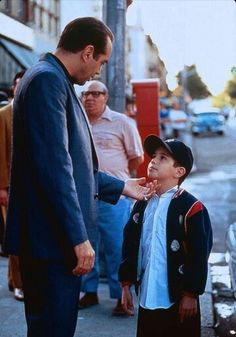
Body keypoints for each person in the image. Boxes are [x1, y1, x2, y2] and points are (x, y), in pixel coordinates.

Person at [4, 17, 156, 337]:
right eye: (101, 61)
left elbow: (76, 167)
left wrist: (123, 186)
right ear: (87, 52)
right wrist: (78, 237)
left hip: (50, 240)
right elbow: (55, 168)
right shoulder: (48, 80)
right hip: (53, 242)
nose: (99, 70)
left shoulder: (53, 78)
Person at [119, 135, 213, 337]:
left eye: (163, 158)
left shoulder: (192, 208)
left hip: (178, 299)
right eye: (154, 155)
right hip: (147, 294)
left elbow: (199, 254)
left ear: (179, 171)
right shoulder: (142, 203)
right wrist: (126, 284)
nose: (153, 160)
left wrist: (191, 293)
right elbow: (130, 244)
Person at [79, 80, 144, 315]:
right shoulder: (78, 121)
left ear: (105, 97)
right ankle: (90, 291)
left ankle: (120, 296)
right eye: (86, 94)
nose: (89, 98)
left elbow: (136, 157)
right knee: (87, 244)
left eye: (95, 94)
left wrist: (120, 178)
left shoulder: (122, 122)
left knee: (117, 246)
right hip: (85, 195)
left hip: (115, 196)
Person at [0, 70, 25, 301]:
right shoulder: (4, 114)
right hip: (9, 186)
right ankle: (18, 283)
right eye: (18, 84)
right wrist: (2, 187)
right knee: (14, 236)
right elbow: (1, 153)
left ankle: (13, 280)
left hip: (29, 186)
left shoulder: (31, 111)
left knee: (21, 235)